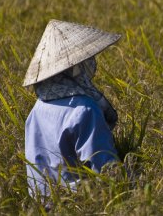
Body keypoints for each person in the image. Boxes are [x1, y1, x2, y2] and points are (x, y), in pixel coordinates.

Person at [23, 19, 121, 197]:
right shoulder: (85, 109)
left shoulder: (37, 108)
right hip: (79, 201)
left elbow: (35, 173)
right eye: (89, 60)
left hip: (43, 204)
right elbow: (107, 171)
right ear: (78, 67)